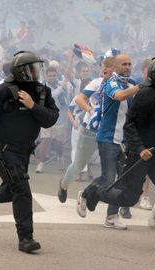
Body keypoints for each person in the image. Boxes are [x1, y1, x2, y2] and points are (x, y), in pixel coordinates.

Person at [80, 55, 155, 253]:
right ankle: (96, 193)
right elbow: (130, 125)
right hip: (140, 154)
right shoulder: (145, 95)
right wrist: (140, 149)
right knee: (129, 198)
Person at [0, 51, 59, 253]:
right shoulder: (4, 91)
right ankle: (25, 238)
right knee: (22, 191)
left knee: (12, 190)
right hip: (5, 150)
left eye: (37, 68)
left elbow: (51, 119)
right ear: (22, 71)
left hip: (25, 151)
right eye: (32, 68)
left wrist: (32, 106)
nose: (36, 72)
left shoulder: (42, 92)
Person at [76, 54, 140, 230]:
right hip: (108, 138)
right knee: (108, 178)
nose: (127, 67)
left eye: (129, 64)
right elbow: (119, 96)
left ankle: (111, 217)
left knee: (122, 179)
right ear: (115, 66)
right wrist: (140, 87)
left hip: (125, 139)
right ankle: (86, 194)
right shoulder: (111, 82)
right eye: (124, 64)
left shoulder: (132, 83)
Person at [57, 57, 115, 201]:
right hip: (90, 130)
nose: (107, 71)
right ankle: (64, 184)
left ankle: (114, 207)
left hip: (110, 133)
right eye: (105, 68)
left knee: (113, 170)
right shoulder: (96, 83)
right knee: (78, 165)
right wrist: (90, 110)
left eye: (111, 68)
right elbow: (79, 99)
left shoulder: (123, 86)